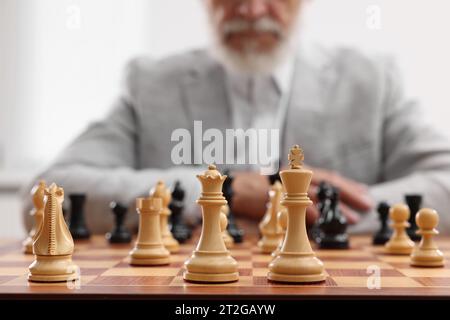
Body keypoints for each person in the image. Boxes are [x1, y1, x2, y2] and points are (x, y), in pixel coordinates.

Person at [22, 0, 450, 234]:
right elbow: (44, 195)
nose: (251, 9)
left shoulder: (371, 80)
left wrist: (320, 212)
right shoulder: (151, 82)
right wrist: (222, 190)